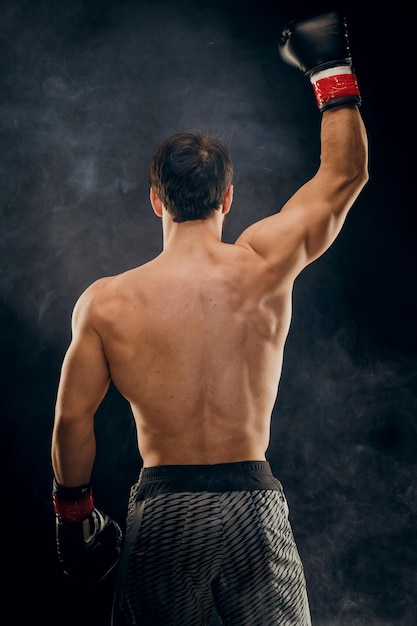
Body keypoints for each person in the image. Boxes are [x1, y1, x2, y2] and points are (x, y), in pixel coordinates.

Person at [51, 11, 368, 626]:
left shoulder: (108, 301)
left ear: (154, 200)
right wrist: (330, 67)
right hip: (253, 505)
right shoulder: (264, 265)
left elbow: (71, 418)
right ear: (227, 198)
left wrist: (72, 523)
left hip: (166, 515)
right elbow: (343, 176)